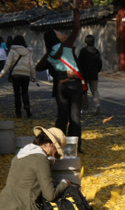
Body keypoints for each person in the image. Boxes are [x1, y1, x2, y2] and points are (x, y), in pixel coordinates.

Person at [0, 126, 71, 210]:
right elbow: (50, 195)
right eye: (56, 151)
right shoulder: (41, 159)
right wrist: (64, 183)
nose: (55, 155)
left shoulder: (22, 153)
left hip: (4, 207)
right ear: (51, 145)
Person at [36, 3, 83, 151]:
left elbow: (38, 68)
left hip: (61, 87)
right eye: (58, 32)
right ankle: (74, 147)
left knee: (62, 117)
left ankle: (56, 145)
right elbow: (76, 28)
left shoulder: (49, 54)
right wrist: (75, 10)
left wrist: (57, 72)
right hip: (74, 85)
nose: (61, 33)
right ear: (55, 37)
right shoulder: (66, 46)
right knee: (75, 117)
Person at [0, 35, 36, 118]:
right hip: (26, 75)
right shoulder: (28, 52)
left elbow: (8, 63)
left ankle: (18, 113)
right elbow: (31, 65)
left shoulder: (12, 51)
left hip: (15, 74)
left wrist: (2, 73)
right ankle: (27, 106)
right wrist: (33, 76)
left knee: (17, 94)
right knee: (25, 92)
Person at [77, 34, 103, 115]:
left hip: (84, 75)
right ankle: (97, 104)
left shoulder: (83, 51)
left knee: (84, 91)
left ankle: (85, 109)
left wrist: (79, 72)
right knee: (94, 90)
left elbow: (79, 62)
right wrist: (96, 70)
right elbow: (100, 63)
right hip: (94, 74)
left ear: (86, 42)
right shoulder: (97, 51)